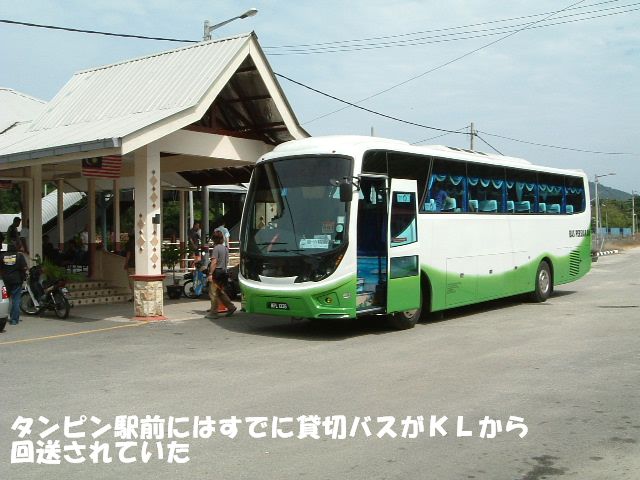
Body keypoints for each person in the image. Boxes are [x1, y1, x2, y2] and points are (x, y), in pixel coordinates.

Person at [205, 230, 236, 319]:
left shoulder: (216, 248)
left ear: (214, 239)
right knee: (220, 292)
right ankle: (231, 307)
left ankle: (214, 313)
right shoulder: (225, 248)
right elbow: (226, 261)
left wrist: (210, 274)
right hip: (223, 272)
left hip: (217, 272)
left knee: (213, 293)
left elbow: (214, 262)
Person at [1, 237, 28, 326]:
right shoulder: (19, 256)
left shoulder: (2, 256)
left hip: (5, 281)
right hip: (16, 280)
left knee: (5, 299)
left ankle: (4, 316)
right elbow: (25, 268)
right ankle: (14, 320)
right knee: (16, 300)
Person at [124, 231, 135, 301]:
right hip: (138, 265)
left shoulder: (129, 244)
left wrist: (126, 264)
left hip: (131, 264)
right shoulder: (138, 243)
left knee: (131, 281)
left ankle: (134, 296)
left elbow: (128, 254)